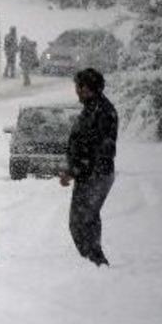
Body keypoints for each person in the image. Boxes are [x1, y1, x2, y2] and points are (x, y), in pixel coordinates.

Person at [60, 68, 117, 267]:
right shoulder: (92, 109)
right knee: (84, 221)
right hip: (90, 174)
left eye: (79, 86)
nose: (76, 90)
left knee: (82, 222)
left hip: (96, 175)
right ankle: (92, 263)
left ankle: (95, 263)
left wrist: (74, 170)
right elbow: (83, 145)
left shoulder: (101, 112)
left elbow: (95, 150)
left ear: (88, 88)